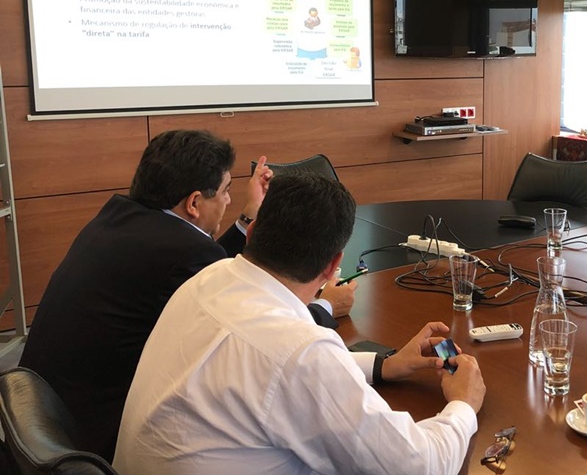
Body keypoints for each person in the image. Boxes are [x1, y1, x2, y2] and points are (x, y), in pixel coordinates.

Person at [113, 174, 486, 475]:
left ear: (252, 232)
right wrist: (463, 406)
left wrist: (383, 365)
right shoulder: (298, 352)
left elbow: (266, 372)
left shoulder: (209, 278)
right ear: (333, 265)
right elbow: (418, 466)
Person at [17, 130, 355, 462]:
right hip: (98, 439)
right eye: (225, 191)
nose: (228, 200)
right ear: (194, 203)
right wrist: (324, 306)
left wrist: (248, 216)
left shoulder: (119, 219)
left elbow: (208, 269)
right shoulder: (184, 254)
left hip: (43, 421)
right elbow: (255, 335)